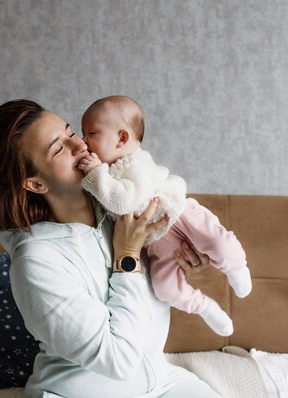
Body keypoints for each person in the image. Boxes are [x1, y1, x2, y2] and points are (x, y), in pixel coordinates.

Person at [0, 99, 222, 398]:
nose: (79, 145)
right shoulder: (36, 261)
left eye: (70, 132)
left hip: (159, 381)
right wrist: (126, 258)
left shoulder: (119, 206)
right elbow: (118, 361)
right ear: (36, 184)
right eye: (58, 148)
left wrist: (180, 256)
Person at [78, 95, 252, 337]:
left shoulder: (135, 163)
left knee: (216, 242)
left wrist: (95, 173)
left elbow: (124, 201)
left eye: (91, 133)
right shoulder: (107, 172)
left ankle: (237, 266)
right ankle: (203, 306)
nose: (84, 141)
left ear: (122, 138)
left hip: (177, 213)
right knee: (164, 288)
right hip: (157, 241)